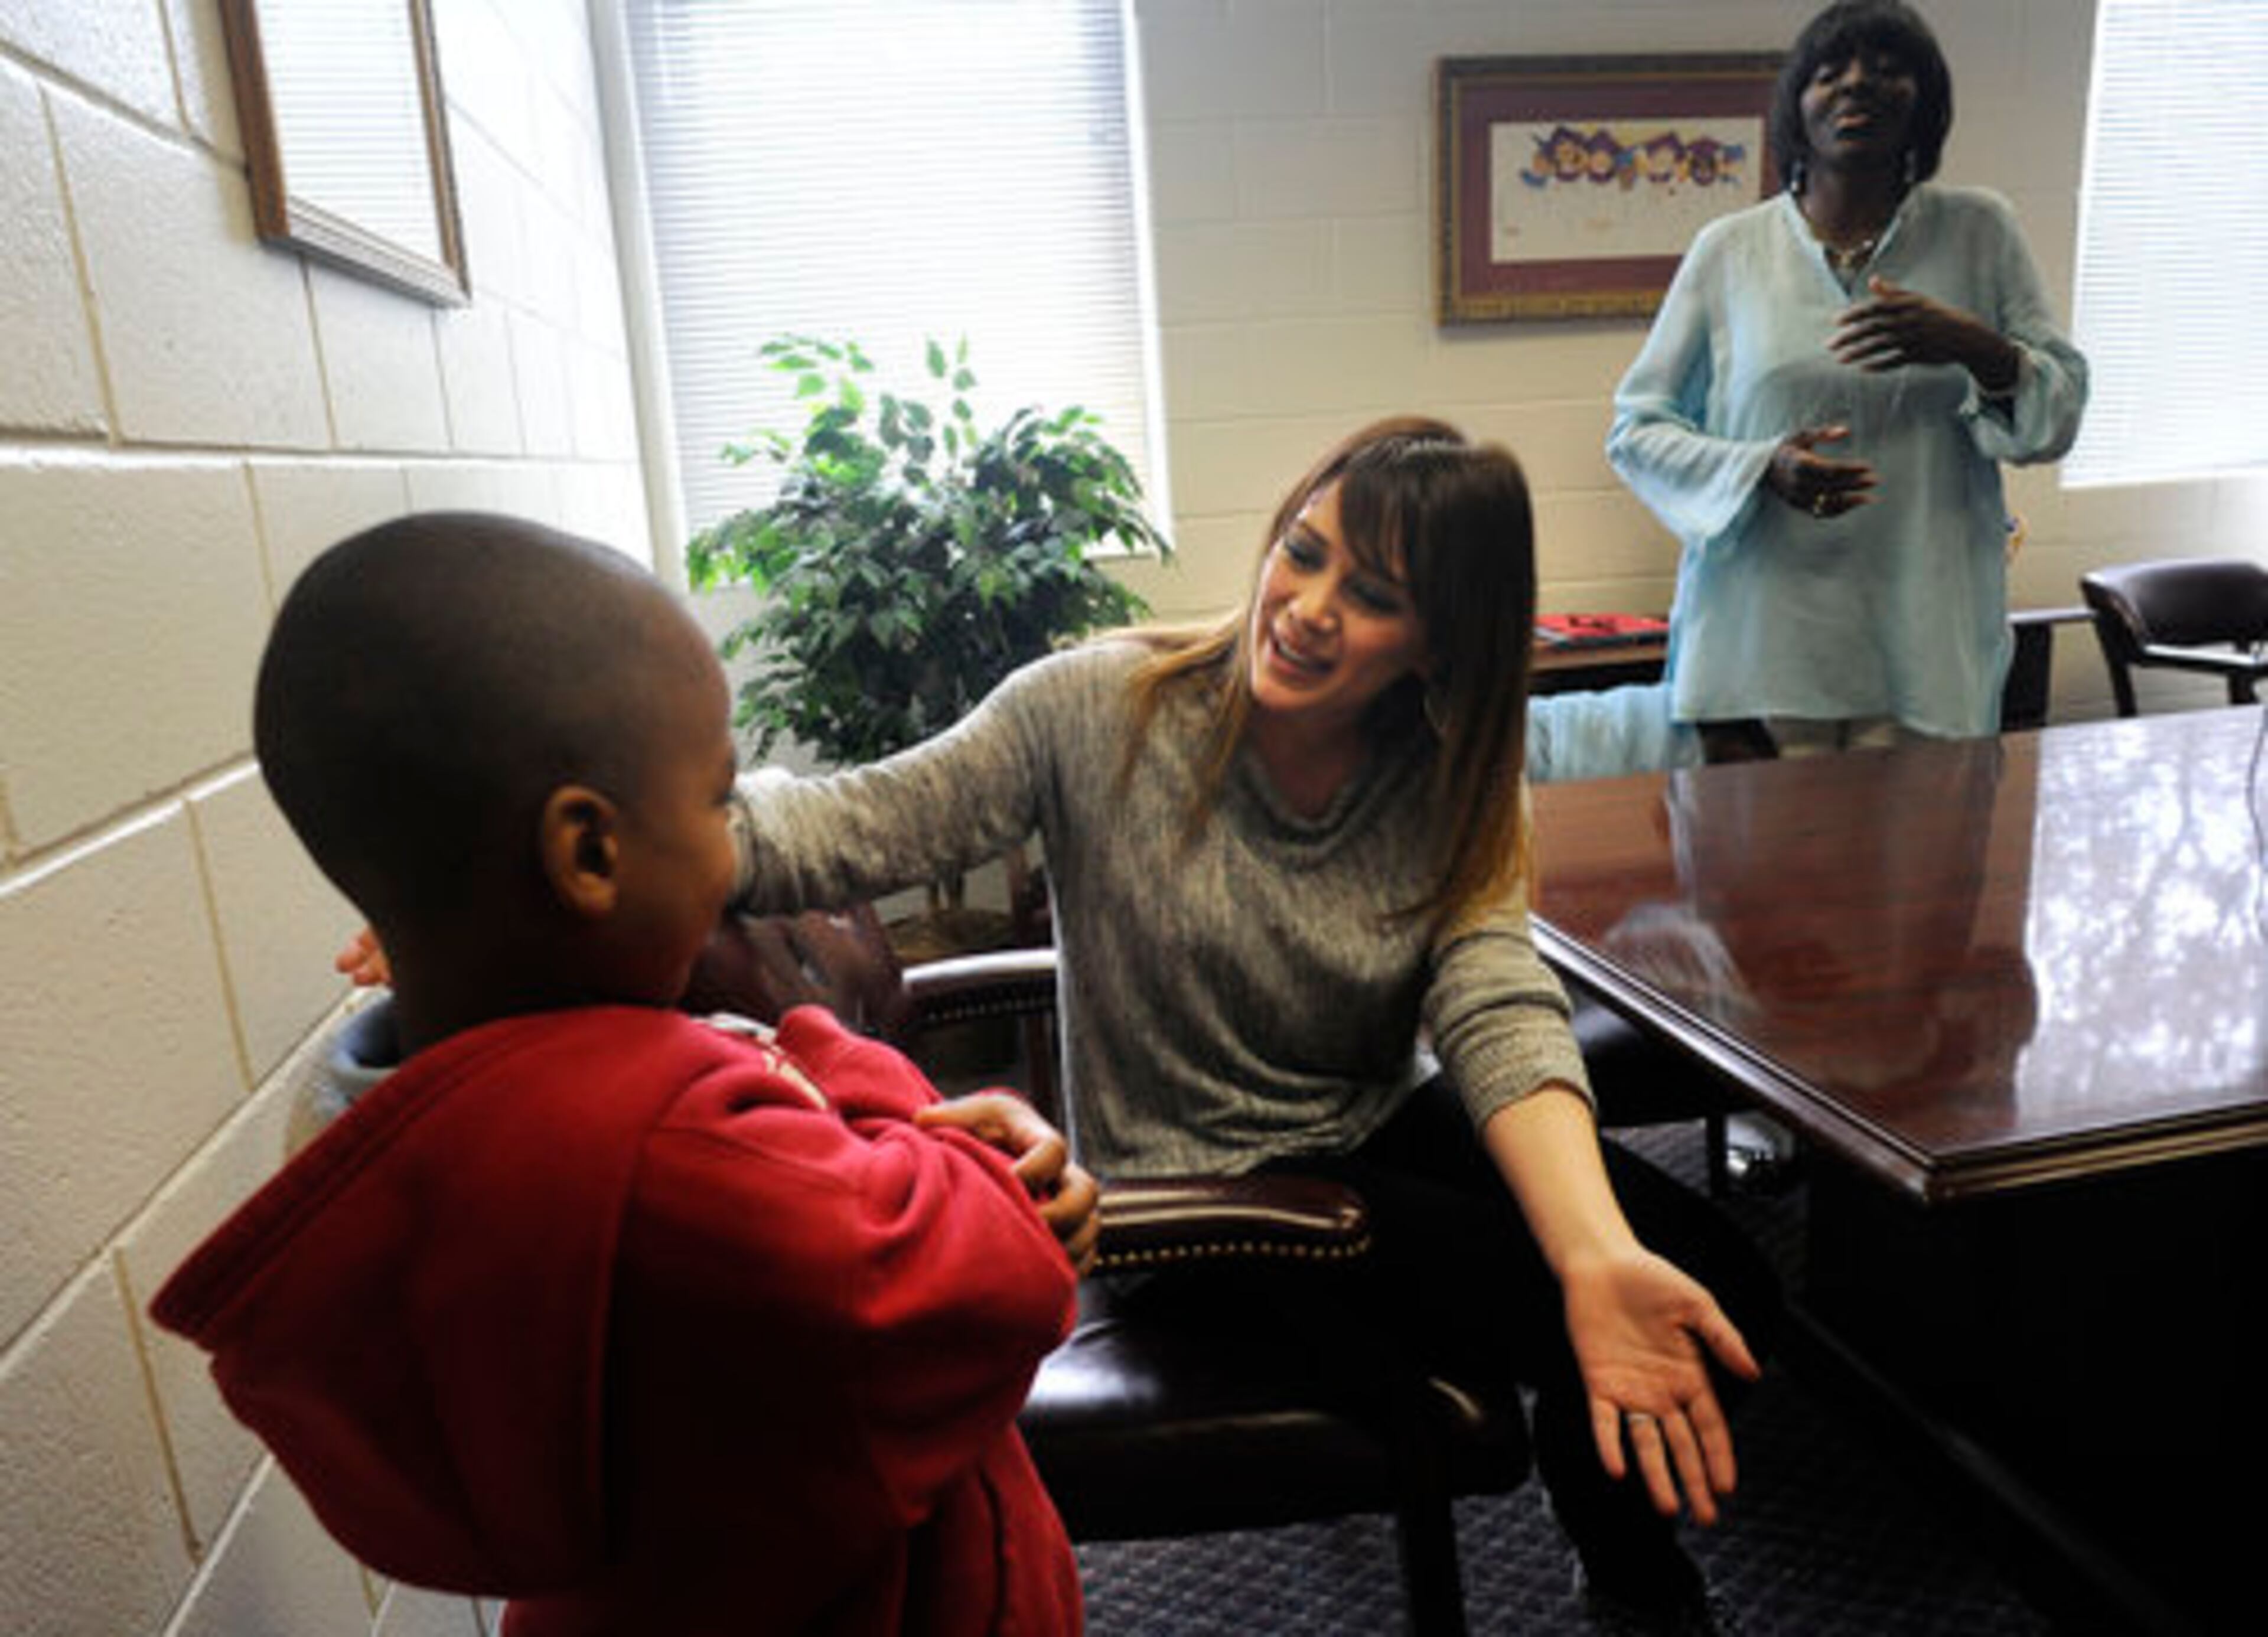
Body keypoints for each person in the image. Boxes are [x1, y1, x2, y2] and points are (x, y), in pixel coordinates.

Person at [726, 418, 1778, 1635]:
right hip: (1211, 1199)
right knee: (1577, 1310)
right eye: (1304, 549)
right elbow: (861, 823)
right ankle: (1649, 1597)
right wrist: (670, 809)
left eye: (1373, 594)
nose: (1308, 605)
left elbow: (1496, 1002)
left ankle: (1611, 1549)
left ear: (1439, 640)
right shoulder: (1097, 708)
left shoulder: (1450, 768)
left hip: (1375, 1121)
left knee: (1722, 1290)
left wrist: (1597, 1249)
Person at [149, 514, 1097, 1637]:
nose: (734, 839)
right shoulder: (673, 1154)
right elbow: (987, 1287)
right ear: (590, 853)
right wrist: (863, 1076)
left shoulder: (414, 1128)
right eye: (716, 801)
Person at [1607, 0, 2087, 759]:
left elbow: (2056, 420)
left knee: (1926, 875)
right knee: (1758, 875)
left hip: (1926, 647)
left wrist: (1974, 347)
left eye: (1889, 70)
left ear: (1925, 104)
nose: (1858, 85)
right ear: (1796, 108)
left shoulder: (1980, 232)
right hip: (1762, 651)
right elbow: (1637, 431)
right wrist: (1763, 467)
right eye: (1831, 72)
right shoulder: (1730, 252)